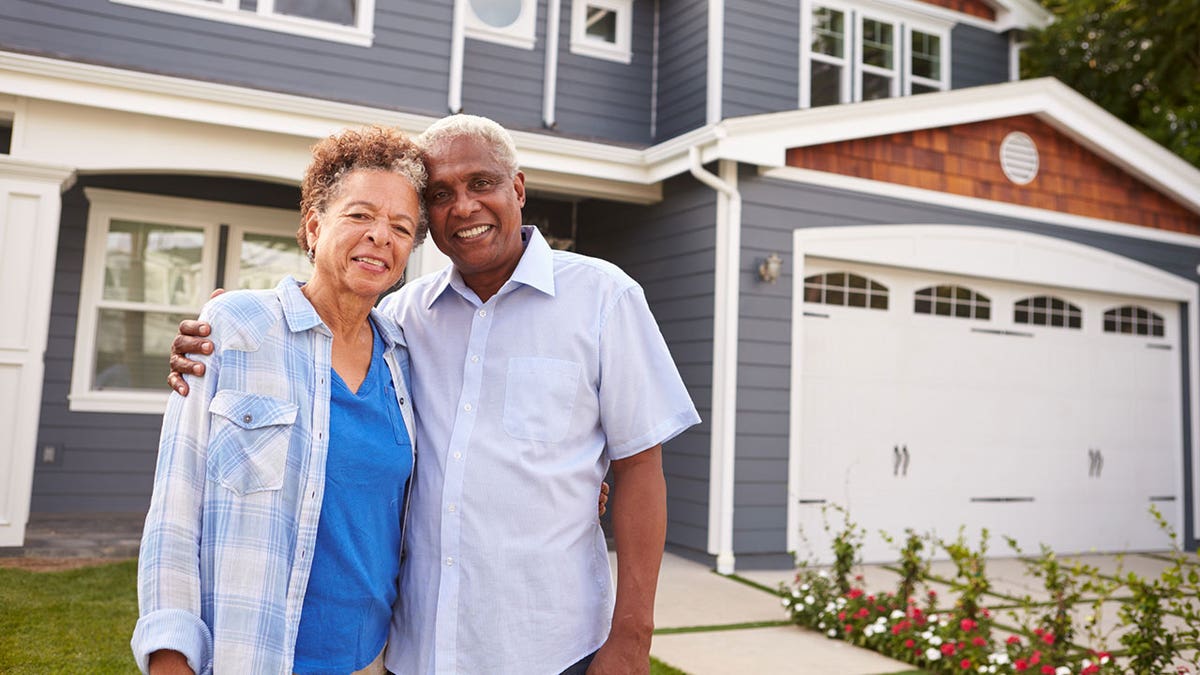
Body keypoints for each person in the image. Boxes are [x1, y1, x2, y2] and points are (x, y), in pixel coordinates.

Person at [169, 114, 700, 674]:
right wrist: (226, 333)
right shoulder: (401, 319)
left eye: (481, 183)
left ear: (516, 188)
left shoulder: (603, 297)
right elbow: (320, 322)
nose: (464, 207)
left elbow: (640, 465)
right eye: (441, 194)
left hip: (550, 646)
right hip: (415, 648)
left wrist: (634, 634)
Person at [135, 126, 426, 675]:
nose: (381, 237)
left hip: (374, 660)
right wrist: (170, 657)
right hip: (252, 654)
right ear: (314, 226)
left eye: (401, 227)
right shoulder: (233, 328)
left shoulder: (406, 360)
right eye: (360, 215)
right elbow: (174, 509)